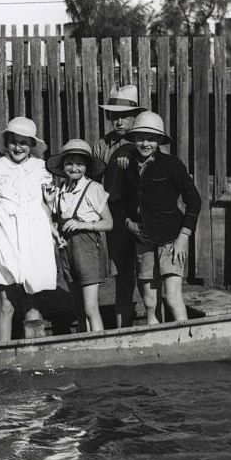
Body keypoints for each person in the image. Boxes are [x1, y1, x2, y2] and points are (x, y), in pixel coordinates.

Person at [119, 111, 202, 326]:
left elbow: (194, 201)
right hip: (143, 241)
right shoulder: (127, 167)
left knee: (173, 297)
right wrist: (129, 224)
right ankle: (155, 342)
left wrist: (183, 237)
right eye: (140, 138)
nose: (145, 143)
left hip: (171, 240)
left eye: (152, 139)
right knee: (149, 301)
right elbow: (124, 203)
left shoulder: (172, 164)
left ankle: (186, 341)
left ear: (159, 141)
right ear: (134, 139)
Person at [0, 117, 57, 341]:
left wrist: (51, 217)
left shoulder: (41, 168)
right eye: (14, 142)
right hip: (5, 234)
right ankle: (3, 350)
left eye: (24, 142)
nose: (18, 147)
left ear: (31, 145)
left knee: (33, 296)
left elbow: (46, 205)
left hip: (35, 235)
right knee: (6, 299)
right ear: (6, 143)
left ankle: (36, 350)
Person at [46, 140, 112, 333]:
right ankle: (83, 342)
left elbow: (109, 223)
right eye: (69, 163)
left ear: (87, 167)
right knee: (78, 308)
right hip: (67, 250)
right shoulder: (60, 190)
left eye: (79, 164)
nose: (74, 168)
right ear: (63, 165)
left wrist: (82, 224)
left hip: (88, 248)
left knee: (91, 307)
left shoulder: (94, 189)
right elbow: (54, 221)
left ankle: (99, 346)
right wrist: (50, 203)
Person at [92, 84, 144, 328]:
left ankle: (158, 327)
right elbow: (92, 182)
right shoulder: (102, 145)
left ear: (135, 116)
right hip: (115, 213)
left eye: (124, 116)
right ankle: (124, 328)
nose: (119, 121)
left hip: (144, 215)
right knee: (122, 274)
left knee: (149, 275)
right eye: (114, 116)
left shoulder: (146, 142)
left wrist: (131, 151)